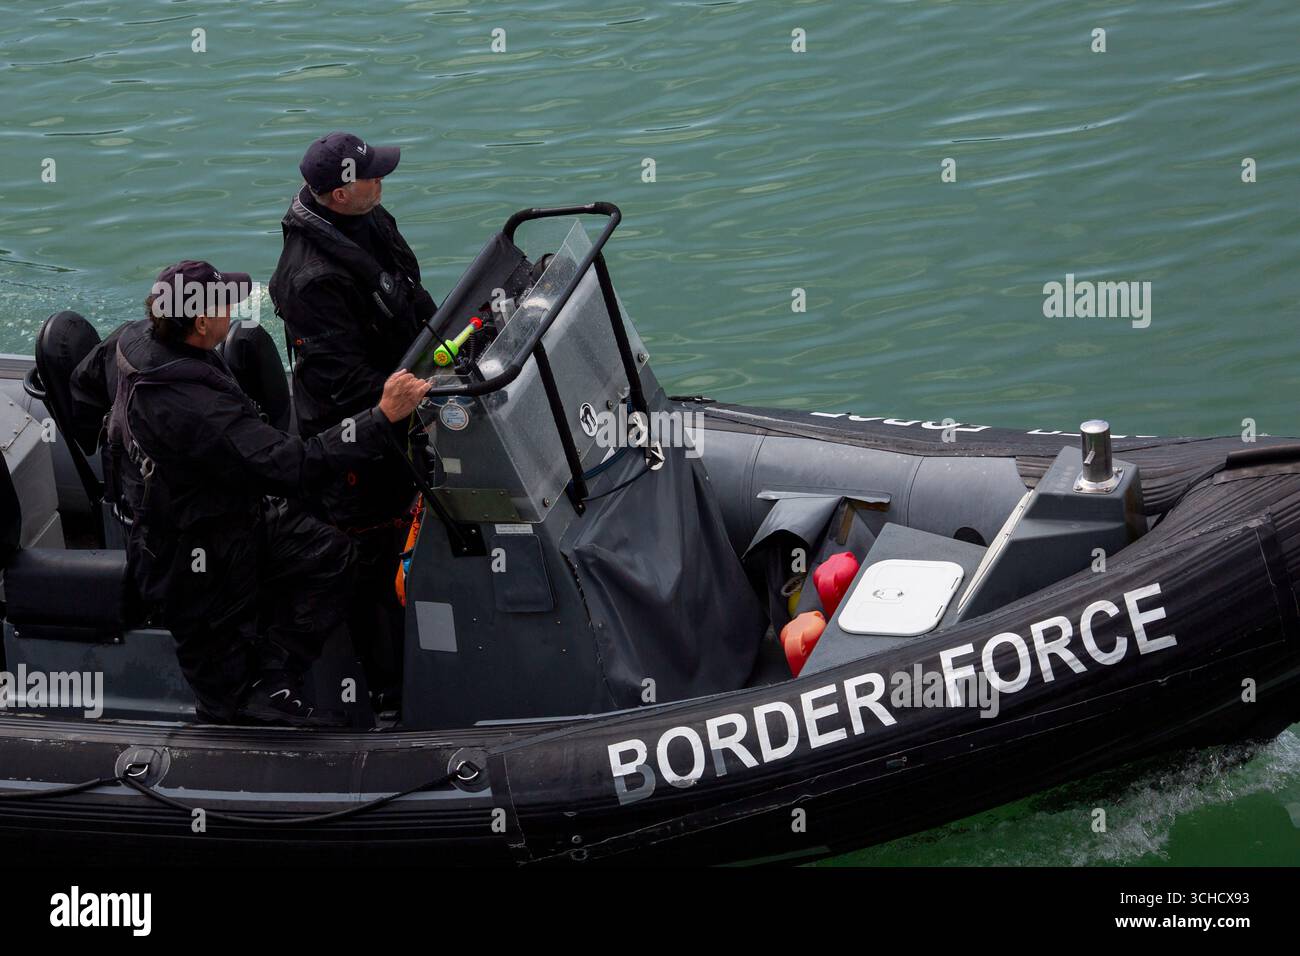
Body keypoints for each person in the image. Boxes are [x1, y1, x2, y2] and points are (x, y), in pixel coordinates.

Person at [109, 259, 430, 726]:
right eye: (225, 305)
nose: (235, 309)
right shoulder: (199, 410)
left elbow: (81, 385)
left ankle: (276, 673)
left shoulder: (135, 340)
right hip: (194, 557)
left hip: (231, 515)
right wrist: (379, 418)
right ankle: (245, 721)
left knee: (331, 554)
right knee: (224, 697)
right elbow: (294, 467)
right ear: (201, 322)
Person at [269, 131, 438, 710]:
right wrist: (413, 397)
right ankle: (393, 696)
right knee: (370, 574)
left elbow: (412, 294)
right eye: (370, 175)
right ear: (338, 195)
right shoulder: (310, 280)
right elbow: (344, 389)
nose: (381, 180)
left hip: (402, 391)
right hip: (354, 445)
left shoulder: (370, 217)